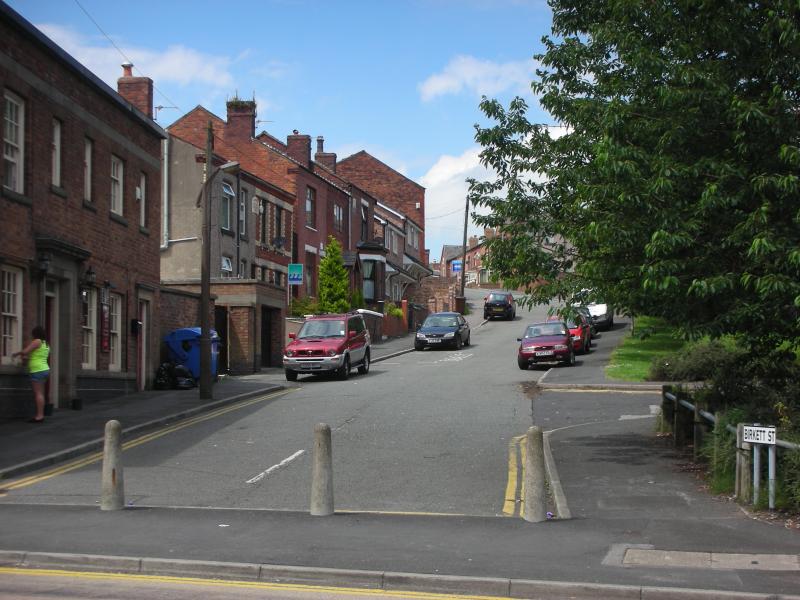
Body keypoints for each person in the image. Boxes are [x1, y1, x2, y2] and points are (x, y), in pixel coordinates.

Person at [12, 326, 50, 423]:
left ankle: (39, 416)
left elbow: (25, 351)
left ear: (35, 334)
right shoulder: (46, 344)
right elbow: (36, 356)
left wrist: (16, 354)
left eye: (32, 334)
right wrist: (26, 358)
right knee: (40, 393)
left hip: (37, 370)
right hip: (45, 369)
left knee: (38, 393)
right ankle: (41, 414)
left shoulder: (37, 341)